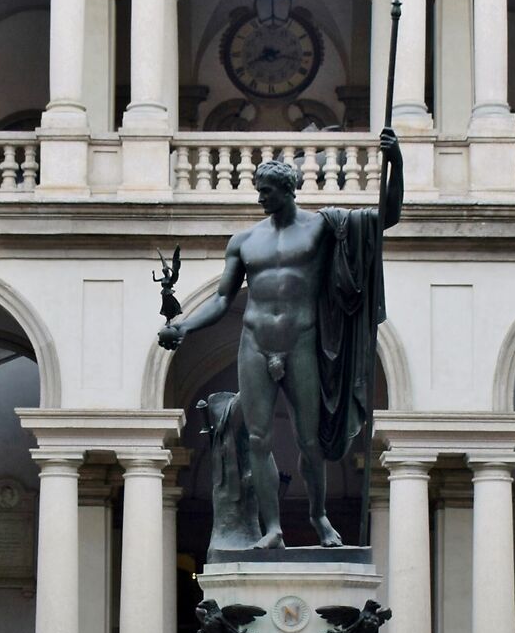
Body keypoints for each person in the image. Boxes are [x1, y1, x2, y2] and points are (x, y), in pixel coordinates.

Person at [160, 129, 402, 550]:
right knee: (257, 439)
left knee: (310, 442)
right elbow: (222, 299)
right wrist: (183, 325)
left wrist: (396, 162)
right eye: (259, 191)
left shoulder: (323, 227)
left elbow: (387, 217)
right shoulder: (244, 241)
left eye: (267, 191)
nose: (260, 199)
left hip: (302, 343)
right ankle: (271, 528)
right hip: (254, 343)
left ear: (288, 191)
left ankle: (319, 516)